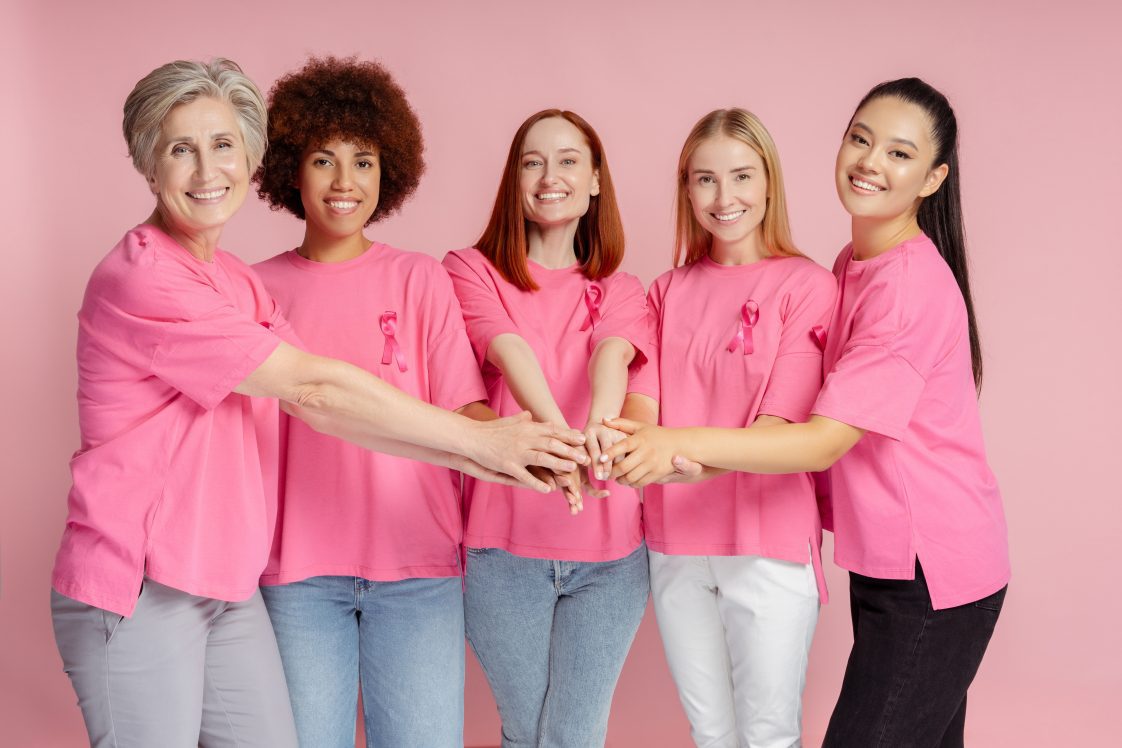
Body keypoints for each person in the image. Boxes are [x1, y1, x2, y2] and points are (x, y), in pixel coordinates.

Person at [49, 58, 585, 747]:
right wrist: (483, 443)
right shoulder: (143, 276)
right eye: (181, 149)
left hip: (225, 588)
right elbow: (311, 384)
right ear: (148, 165)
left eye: (223, 146)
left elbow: (327, 409)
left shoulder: (236, 283)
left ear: (249, 158)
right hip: (141, 584)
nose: (207, 170)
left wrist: (497, 456)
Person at [604, 78, 1010, 748]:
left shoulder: (904, 285)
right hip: (888, 563)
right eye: (861, 139)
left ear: (933, 178)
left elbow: (820, 441)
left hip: (935, 569)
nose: (871, 161)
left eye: (899, 154)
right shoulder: (855, 262)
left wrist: (669, 443)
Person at [251, 55, 491, 748]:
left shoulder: (420, 279)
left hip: (417, 567)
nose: (345, 181)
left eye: (363, 160)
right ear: (291, 169)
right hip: (294, 572)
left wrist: (520, 442)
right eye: (324, 160)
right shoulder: (253, 289)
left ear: (389, 171)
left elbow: (464, 416)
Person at [442, 109, 654, 747]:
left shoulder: (622, 288)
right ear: (514, 178)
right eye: (533, 161)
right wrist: (563, 439)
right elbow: (506, 347)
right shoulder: (469, 269)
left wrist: (598, 428)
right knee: (526, 729)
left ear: (594, 182)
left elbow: (612, 355)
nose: (549, 176)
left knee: (573, 732)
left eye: (568, 161)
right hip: (500, 551)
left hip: (612, 558)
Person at [639, 108, 836, 748]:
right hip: (675, 545)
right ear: (686, 189)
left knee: (769, 733)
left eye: (743, 176)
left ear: (770, 183)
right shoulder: (664, 291)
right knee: (710, 732)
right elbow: (643, 411)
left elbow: (781, 432)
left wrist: (673, 451)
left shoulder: (807, 286)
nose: (725, 199)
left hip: (767, 545)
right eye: (705, 180)